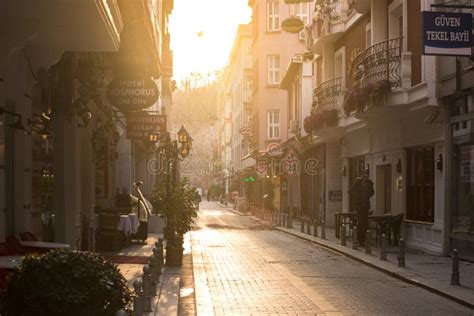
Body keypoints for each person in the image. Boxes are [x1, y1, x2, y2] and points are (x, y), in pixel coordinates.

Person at [350, 168, 374, 245]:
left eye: (367, 175)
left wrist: (368, 196)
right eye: (365, 174)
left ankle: (363, 240)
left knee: (365, 223)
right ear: (363, 175)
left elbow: (372, 192)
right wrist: (357, 195)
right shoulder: (358, 182)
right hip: (359, 205)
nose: (366, 176)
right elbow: (350, 191)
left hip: (366, 206)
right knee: (360, 222)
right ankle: (359, 239)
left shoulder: (369, 183)